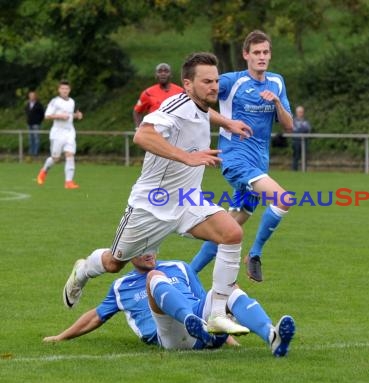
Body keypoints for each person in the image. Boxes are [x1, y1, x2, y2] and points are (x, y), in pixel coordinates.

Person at [62, 52, 253, 336]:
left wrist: (227, 123)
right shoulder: (174, 105)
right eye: (206, 81)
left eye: (215, 81)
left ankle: (216, 314)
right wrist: (185, 157)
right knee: (115, 263)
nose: (214, 86)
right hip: (153, 205)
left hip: (188, 200)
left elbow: (202, 113)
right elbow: (143, 135)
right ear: (187, 84)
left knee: (232, 233)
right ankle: (83, 270)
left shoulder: (198, 104)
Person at [45, 253, 296, 357]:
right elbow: (96, 316)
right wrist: (61, 337)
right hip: (170, 337)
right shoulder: (121, 285)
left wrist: (231, 342)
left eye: (153, 246)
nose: (150, 252)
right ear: (130, 253)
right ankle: (192, 322)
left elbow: (209, 301)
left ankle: (271, 336)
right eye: (143, 248)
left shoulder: (179, 267)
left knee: (229, 289)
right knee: (154, 279)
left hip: (203, 327)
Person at [190, 30, 294, 282]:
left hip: (259, 162)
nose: (261, 57)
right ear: (245, 55)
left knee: (230, 229)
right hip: (235, 159)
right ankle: (255, 254)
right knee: (283, 199)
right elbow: (194, 99)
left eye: (265, 52)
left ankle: (188, 273)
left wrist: (277, 103)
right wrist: (227, 122)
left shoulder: (276, 82)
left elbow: (289, 125)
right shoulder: (230, 81)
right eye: (256, 52)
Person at [36, 80, 83, 189]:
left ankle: (69, 182)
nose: (64, 90)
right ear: (59, 90)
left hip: (69, 132)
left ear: (69, 90)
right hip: (57, 133)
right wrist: (60, 116)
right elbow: (47, 115)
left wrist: (77, 116)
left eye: (66, 89)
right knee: (55, 158)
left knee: (70, 155)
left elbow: (70, 115)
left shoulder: (72, 101)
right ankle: (44, 170)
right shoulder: (55, 101)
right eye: (62, 88)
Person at [133, 63, 184, 128]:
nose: (163, 74)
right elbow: (137, 111)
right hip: (155, 132)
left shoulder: (181, 92)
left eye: (166, 71)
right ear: (155, 75)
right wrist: (139, 128)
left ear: (171, 74)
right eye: (160, 71)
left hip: (176, 131)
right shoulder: (148, 93)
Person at [24, 91, 45, 157]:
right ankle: (31, 152)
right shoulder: (27, 104)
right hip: (29, 123)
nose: (31, 97)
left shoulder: (38, 104)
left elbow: (42, 114)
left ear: (35, 96)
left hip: (36, 124)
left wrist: (39, 121)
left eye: (33, 95)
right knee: (30, 138)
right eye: (30, 95)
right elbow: (26, 112)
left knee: (36, 138)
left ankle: (36, 153)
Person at [291, 105, 311, 171]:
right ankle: (294, 170)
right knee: (295, 157)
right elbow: (294, 130)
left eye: (301, 112)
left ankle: (304, 170)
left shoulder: (306, 121)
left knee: (304, 157)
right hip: (296, 141)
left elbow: (308, 129)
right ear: (296, 112)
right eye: (299, 112)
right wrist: (301, 129)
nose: (300, 113)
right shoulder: (293, 121)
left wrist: (300, 129)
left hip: (304, 141)